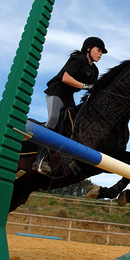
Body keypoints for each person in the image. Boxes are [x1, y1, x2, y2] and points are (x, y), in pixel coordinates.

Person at [35, 37, 108, 173]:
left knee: (72, 124)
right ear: (88, 48)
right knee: (54, 119)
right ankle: (40, 159)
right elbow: (65, 78)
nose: (100, 54)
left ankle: (66, 156)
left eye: (101, 53)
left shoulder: (95, 71)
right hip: (56, 92)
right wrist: (86, 86)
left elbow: (92, 90)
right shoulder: (78, 59)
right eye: (98, 50)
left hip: (68, 97)